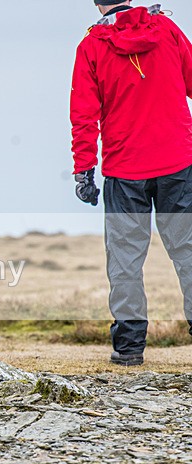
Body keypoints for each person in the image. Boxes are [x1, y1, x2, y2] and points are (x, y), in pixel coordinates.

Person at [71, 1, 192, 365]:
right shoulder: (167, 31)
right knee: (188, 252)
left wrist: (83, 171)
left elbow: (83, 115)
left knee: (125, 261)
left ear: (95, 3)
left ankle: (128, 349)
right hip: (178, 163)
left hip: (125, 170)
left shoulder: (91, 46)